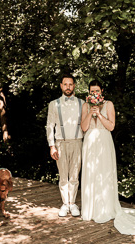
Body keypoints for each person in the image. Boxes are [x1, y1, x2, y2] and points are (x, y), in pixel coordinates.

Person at [80, 80, 135, 235]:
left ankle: (105, 208)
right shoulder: (85, 106)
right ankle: (91, 209)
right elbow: (84, 127)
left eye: (97, 91)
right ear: (89, 93)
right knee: (91, 173)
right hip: (89, 142)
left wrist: (99, 114)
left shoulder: (109, 104)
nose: (95, 94)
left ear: (102, 91)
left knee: (104, 173)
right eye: (92, 91)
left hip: (104, 142)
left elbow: (111, 127)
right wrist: (90, 113)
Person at [46, 73, 85, 217]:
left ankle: (72, 203)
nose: (68, 87)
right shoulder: (54, 104)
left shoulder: (82, 103)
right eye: (65, 84)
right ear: (61, 86)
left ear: (74, 86)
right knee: (63, 176)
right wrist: (52, 145)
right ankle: (65, 203)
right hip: (60, 143)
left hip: (77, 142)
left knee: (74, 175)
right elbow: (50, 125)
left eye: (71, 84)